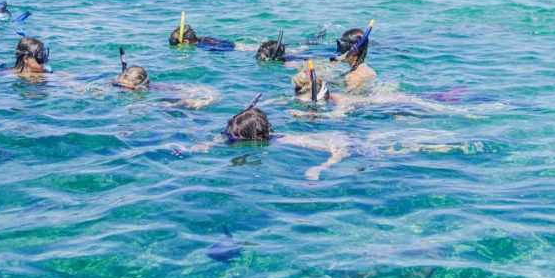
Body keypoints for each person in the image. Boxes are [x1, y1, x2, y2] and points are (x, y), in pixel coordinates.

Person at [179, 99, 477, 180]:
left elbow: (338, 151)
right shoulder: (268, 137)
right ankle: (453, 143)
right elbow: (228, 136)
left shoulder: (286, 142)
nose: (231, 140)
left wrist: (320, 169)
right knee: (398, 146)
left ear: (255, 138)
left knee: (400, 152)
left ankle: (455, 146)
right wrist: (201, 146)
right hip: (341, 137)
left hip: (345, 144)